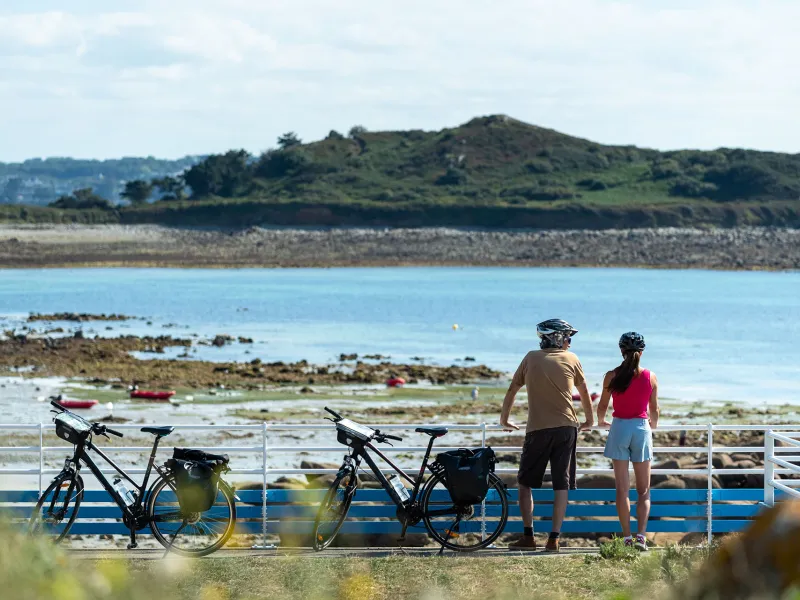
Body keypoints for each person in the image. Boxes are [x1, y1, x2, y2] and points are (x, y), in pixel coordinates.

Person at [500, 318, 595, 552]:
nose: (570, 343)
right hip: (567, 428)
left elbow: (513, 389)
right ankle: (553, 539)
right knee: (561, 484)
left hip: (537, 429)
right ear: (557, 337)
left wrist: (504, 419)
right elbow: (584, 392)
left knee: (525, 483)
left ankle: (528, 536)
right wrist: (590, 421)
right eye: (568, 337)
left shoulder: (531, 357)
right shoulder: (572, 359)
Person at [596, 332, 659, 552]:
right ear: (641, 353)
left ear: (621, 352)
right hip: (641, 430)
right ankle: (641, 536)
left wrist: (601, 421)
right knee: (644, 491)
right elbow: (654, 409)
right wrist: (654, 424)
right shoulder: (650, 376)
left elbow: (602, 407)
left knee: (622, 490)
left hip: (619, 428)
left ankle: (627, 538)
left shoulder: (611, 376)